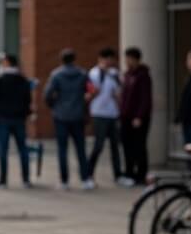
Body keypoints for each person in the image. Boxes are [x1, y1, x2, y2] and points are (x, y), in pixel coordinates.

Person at [45, 48, 94, 190]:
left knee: (62, 149)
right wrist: (84, 103)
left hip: (61, 116)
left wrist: (54, 106)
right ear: (74, 59)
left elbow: (47, 94)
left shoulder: (56, 75)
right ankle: (85, 179)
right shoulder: (83, 74)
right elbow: (91, 90)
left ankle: (64, 180)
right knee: (80, 149)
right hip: (78, 115)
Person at [0, 53, 33, 188]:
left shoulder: (1, 80)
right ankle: (26, 179)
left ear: (8, 63)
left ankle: (3, 179)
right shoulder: (23, 80)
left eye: (3, 62)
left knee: (3, 150)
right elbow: (28, 99)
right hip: (19, 119)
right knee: (23, 149)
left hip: (4, 119)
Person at [87, 47, 124, 185]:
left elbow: (119, 92)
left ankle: (118, 174)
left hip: (112, 113)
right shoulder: (94, 73)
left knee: (115, 146)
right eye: (106, 59)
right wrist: (102, 75)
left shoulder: (114, 73)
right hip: (99, 113)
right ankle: (89, 173)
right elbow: (92, 92)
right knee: (99, 145)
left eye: (111, 60)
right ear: (101, 59)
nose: (109, 62)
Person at [120, 47, 153, 186]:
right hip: (126, 116)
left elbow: (145, 98)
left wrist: (139, 116)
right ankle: (129, 172)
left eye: (128, 58)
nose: (126, 61)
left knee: (139, 146)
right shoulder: (128, 75)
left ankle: (141, 174)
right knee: (127, 145)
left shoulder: (143, 76)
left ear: (135, 59)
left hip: (138, 118)